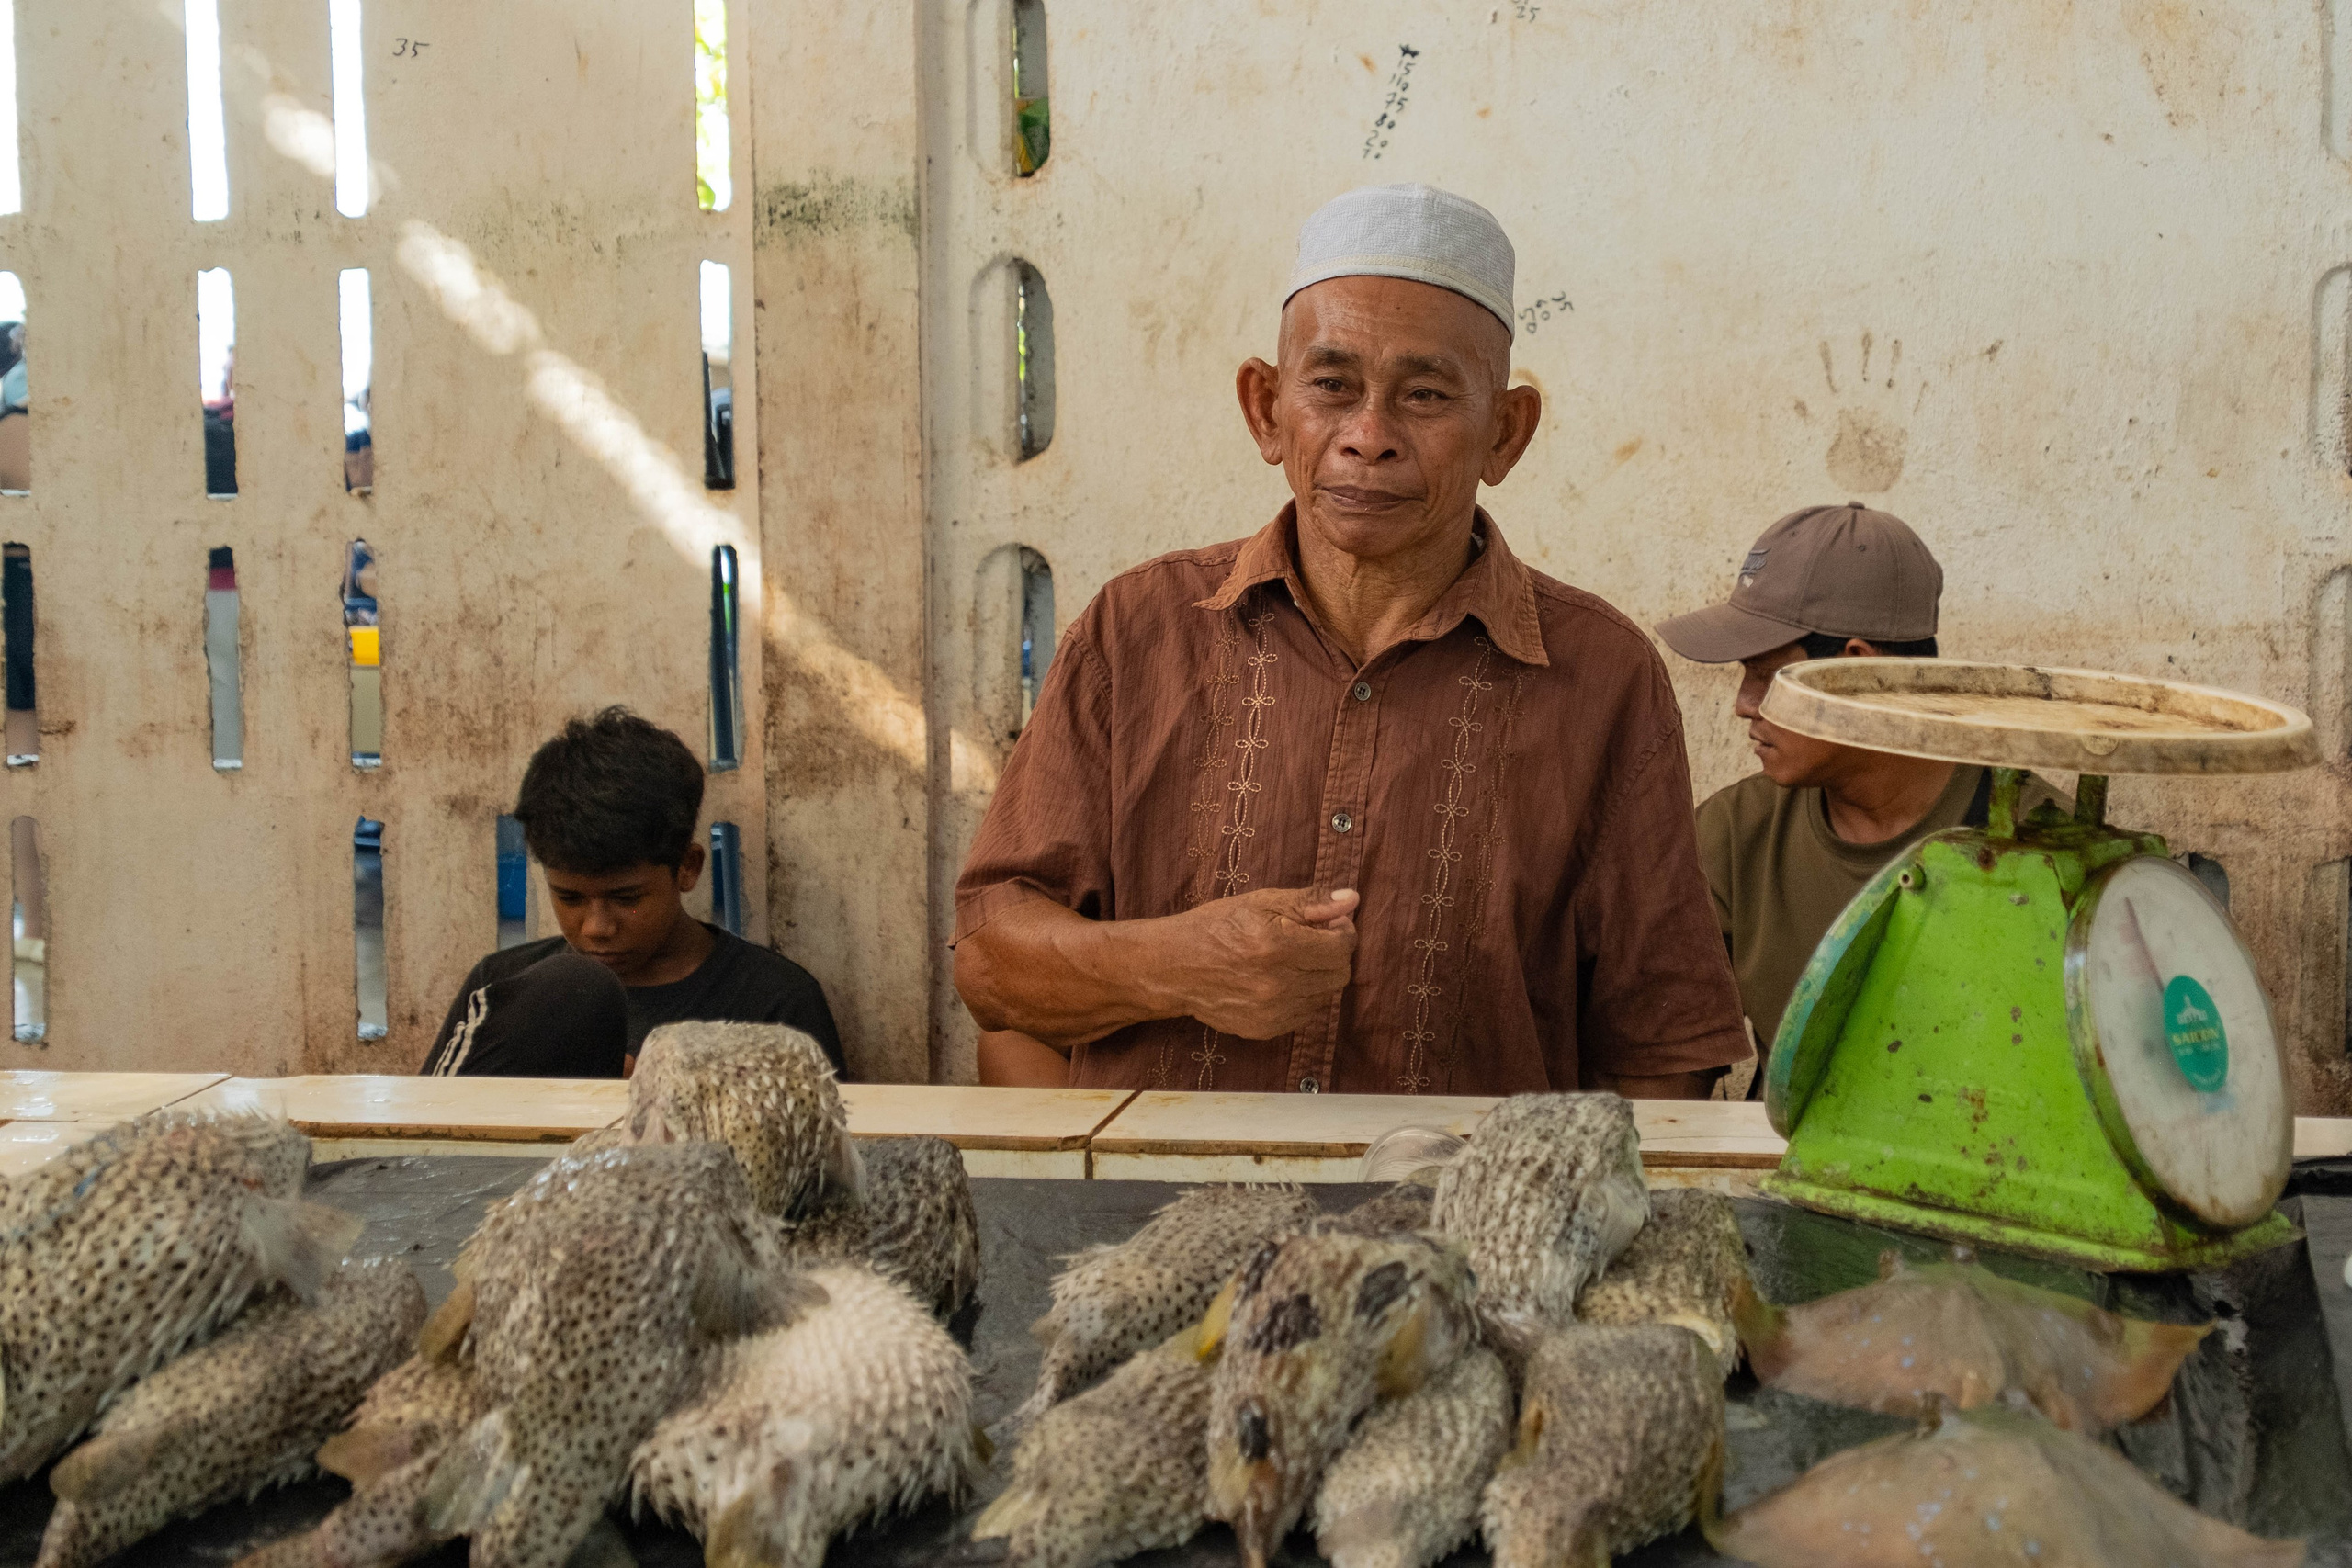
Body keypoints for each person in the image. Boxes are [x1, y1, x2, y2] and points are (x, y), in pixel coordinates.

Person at [952, 183, 1748, 1098]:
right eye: (1331, 387)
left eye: (1425, 395)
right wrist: (1174, 964)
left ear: (1505, 433)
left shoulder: (1601, 677)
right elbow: (990, 965)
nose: (1368, 438)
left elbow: (1664, 1051)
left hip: (1463, 1231)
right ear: (1266, 408)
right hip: (1156, 1227)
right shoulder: (1136, 632)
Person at [1655, 503, 2060, 1088]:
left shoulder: (2039, 845)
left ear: (1855, 673)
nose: (1744, 703)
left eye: (1765, 675)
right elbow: (1668, 1069)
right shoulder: (1736, 833)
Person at [421, 707, 842, 1078]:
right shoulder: (502, 988)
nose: (597, 928)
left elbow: (818, 1162)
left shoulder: (773, 1003)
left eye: (626, 899)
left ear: (687, 868)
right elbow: (425, 1147)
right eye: (569, 899)